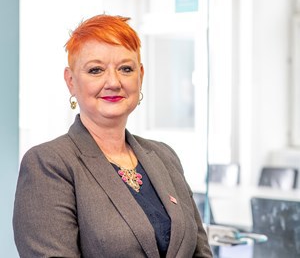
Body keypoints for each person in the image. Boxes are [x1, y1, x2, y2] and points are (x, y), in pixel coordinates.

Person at [13, 14, 213, 258]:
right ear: (71, 81)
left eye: (125, 69)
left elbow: (200, 251)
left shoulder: (165, 156)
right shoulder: (49, 163)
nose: (113, 82)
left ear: (140, 75)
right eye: (96, 70)